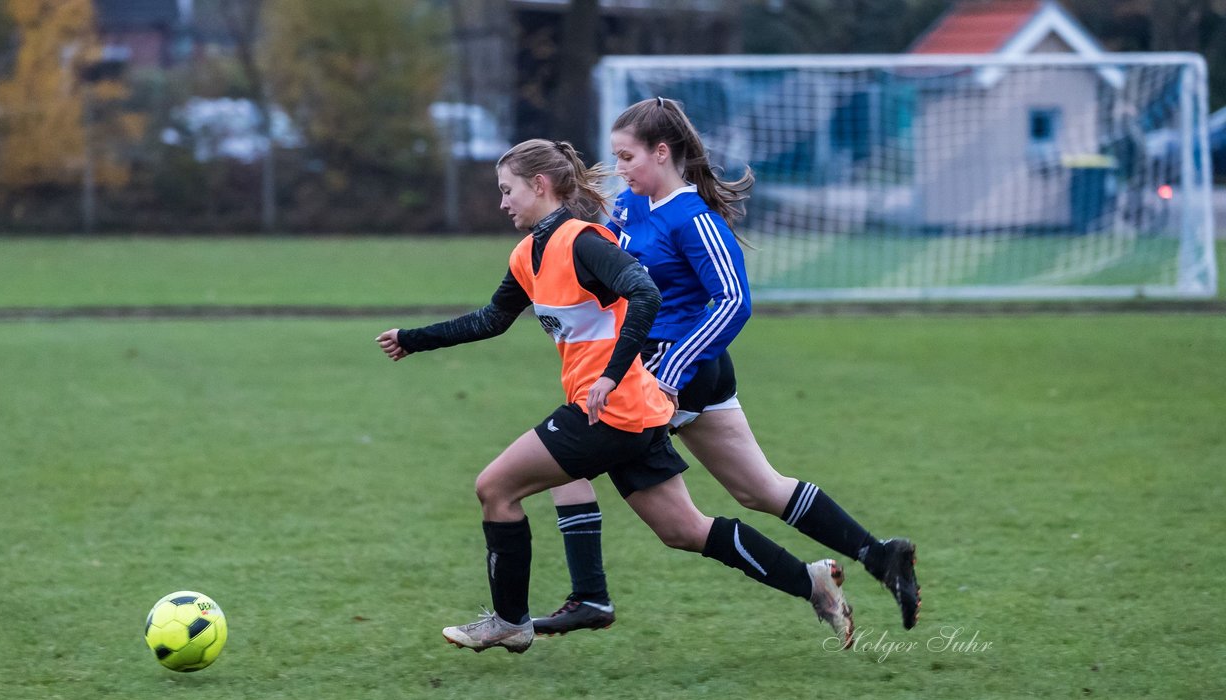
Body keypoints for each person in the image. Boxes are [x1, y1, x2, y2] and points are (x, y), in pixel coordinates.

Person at [376, 138, 854, 654]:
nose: (502, 202)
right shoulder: (527, 255)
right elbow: (492, 320)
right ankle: (812, 583)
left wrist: (610, 373)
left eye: (507, 189)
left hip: (611, 409)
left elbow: (645, 293)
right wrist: (412, 339)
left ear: (539, 186)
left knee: (496, 488)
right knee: (685, 530)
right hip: (633, 411)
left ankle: (511, 621)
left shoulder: (582, 242)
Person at [534, 97, 920, 638]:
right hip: (673, 369)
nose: (619, 169)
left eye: (627, 157)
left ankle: (589, 598)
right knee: (759, 489)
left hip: (677, 370)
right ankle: (879, 556)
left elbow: (733, 301)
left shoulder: (694, 218)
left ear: (662, 153)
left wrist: (672, 366)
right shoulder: (629, 207)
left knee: (565, 460)